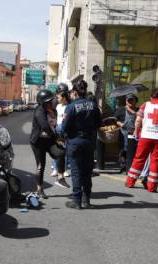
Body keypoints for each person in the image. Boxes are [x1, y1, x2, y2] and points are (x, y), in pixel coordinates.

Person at [62, 80, 102, 209]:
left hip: (75, 141)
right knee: (87, 171)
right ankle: (86, 200)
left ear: (75, 92)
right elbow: (98, 124)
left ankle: (77, 201)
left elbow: (65, 126)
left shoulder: (71, 106)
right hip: (89, 141)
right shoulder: (93, 105)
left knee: (76, 171)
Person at [126, 88, 158, 192]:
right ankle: (152, 187)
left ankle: (130, 182)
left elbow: (138, 120)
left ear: (151, 97)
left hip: (146, 136)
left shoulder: (145, 105)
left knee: (139, 158)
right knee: (155, 161)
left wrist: (136, 132)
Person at [30, 89, 69, 199]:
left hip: (49, 140)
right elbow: (46, 127)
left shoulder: (54, 111)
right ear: (43, 103)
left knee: (61, 152)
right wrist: (56, 137)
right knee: (40, 165)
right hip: (38, 142)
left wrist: (59, 137)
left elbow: (54, 126)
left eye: (52, 100)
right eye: (49, 101)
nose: (52, 102)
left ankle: (60, 177)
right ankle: (39, 189)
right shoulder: (39, 111)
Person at [51, 83, 71, 178]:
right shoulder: (57, 106)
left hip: (65, 130)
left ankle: (65, 169)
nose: (57, 98)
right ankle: (55, 168)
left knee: (64, 151)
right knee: (56, 150)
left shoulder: (69, 107)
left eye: (59, 97)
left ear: (64, 97)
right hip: (57, 130)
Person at [116, 94, 139, 172]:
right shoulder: (121, 109)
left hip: (135, 133)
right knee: (123, 150)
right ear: (126, 101)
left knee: (134, 150)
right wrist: (120, 124)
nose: (130, 102)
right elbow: (115, 119)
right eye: (128, 100)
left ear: (135, 101)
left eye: (132, 100)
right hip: (124, 132)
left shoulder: (138, 110)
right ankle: (123, 165)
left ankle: (132, 166)